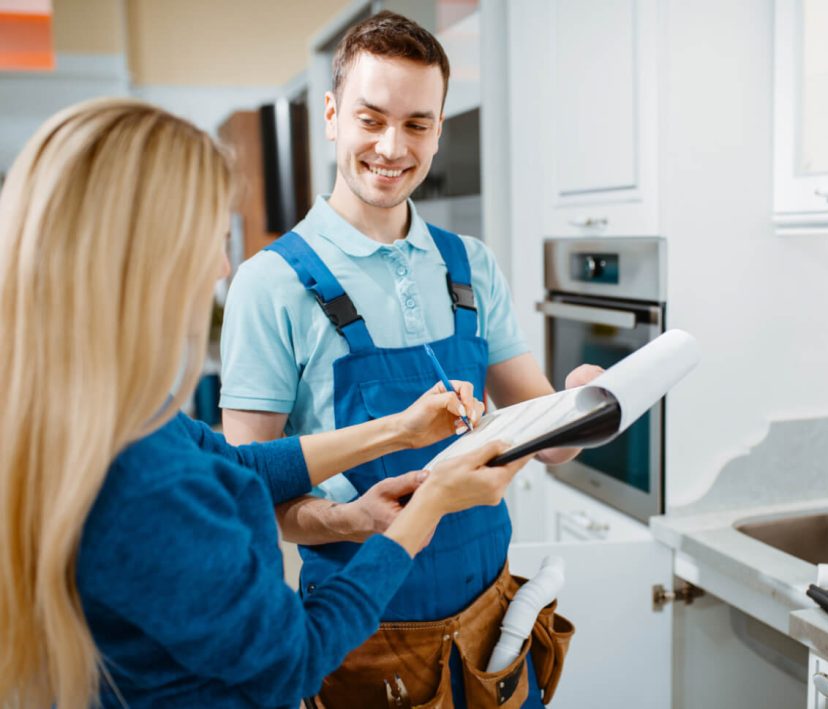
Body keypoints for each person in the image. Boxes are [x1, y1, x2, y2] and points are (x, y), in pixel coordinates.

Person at [0, 98, 530, 709]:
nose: (222, 264)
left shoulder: (102, 418)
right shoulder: (149, 483)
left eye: (417, 123)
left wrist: (397, 432)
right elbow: (291, 660)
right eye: (208, 237)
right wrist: (428, 506)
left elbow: (234, 465)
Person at [219, 10, 600, 707]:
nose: (393, 147)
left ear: (439, 128)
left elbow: (547, 445)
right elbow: (244, 495)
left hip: (496, 629)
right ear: (332, 115)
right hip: (363, 640)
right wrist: (353, 518)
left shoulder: (470, 265)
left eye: (418, 124)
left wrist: (582, 408)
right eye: (371, 118)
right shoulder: (270, 283)